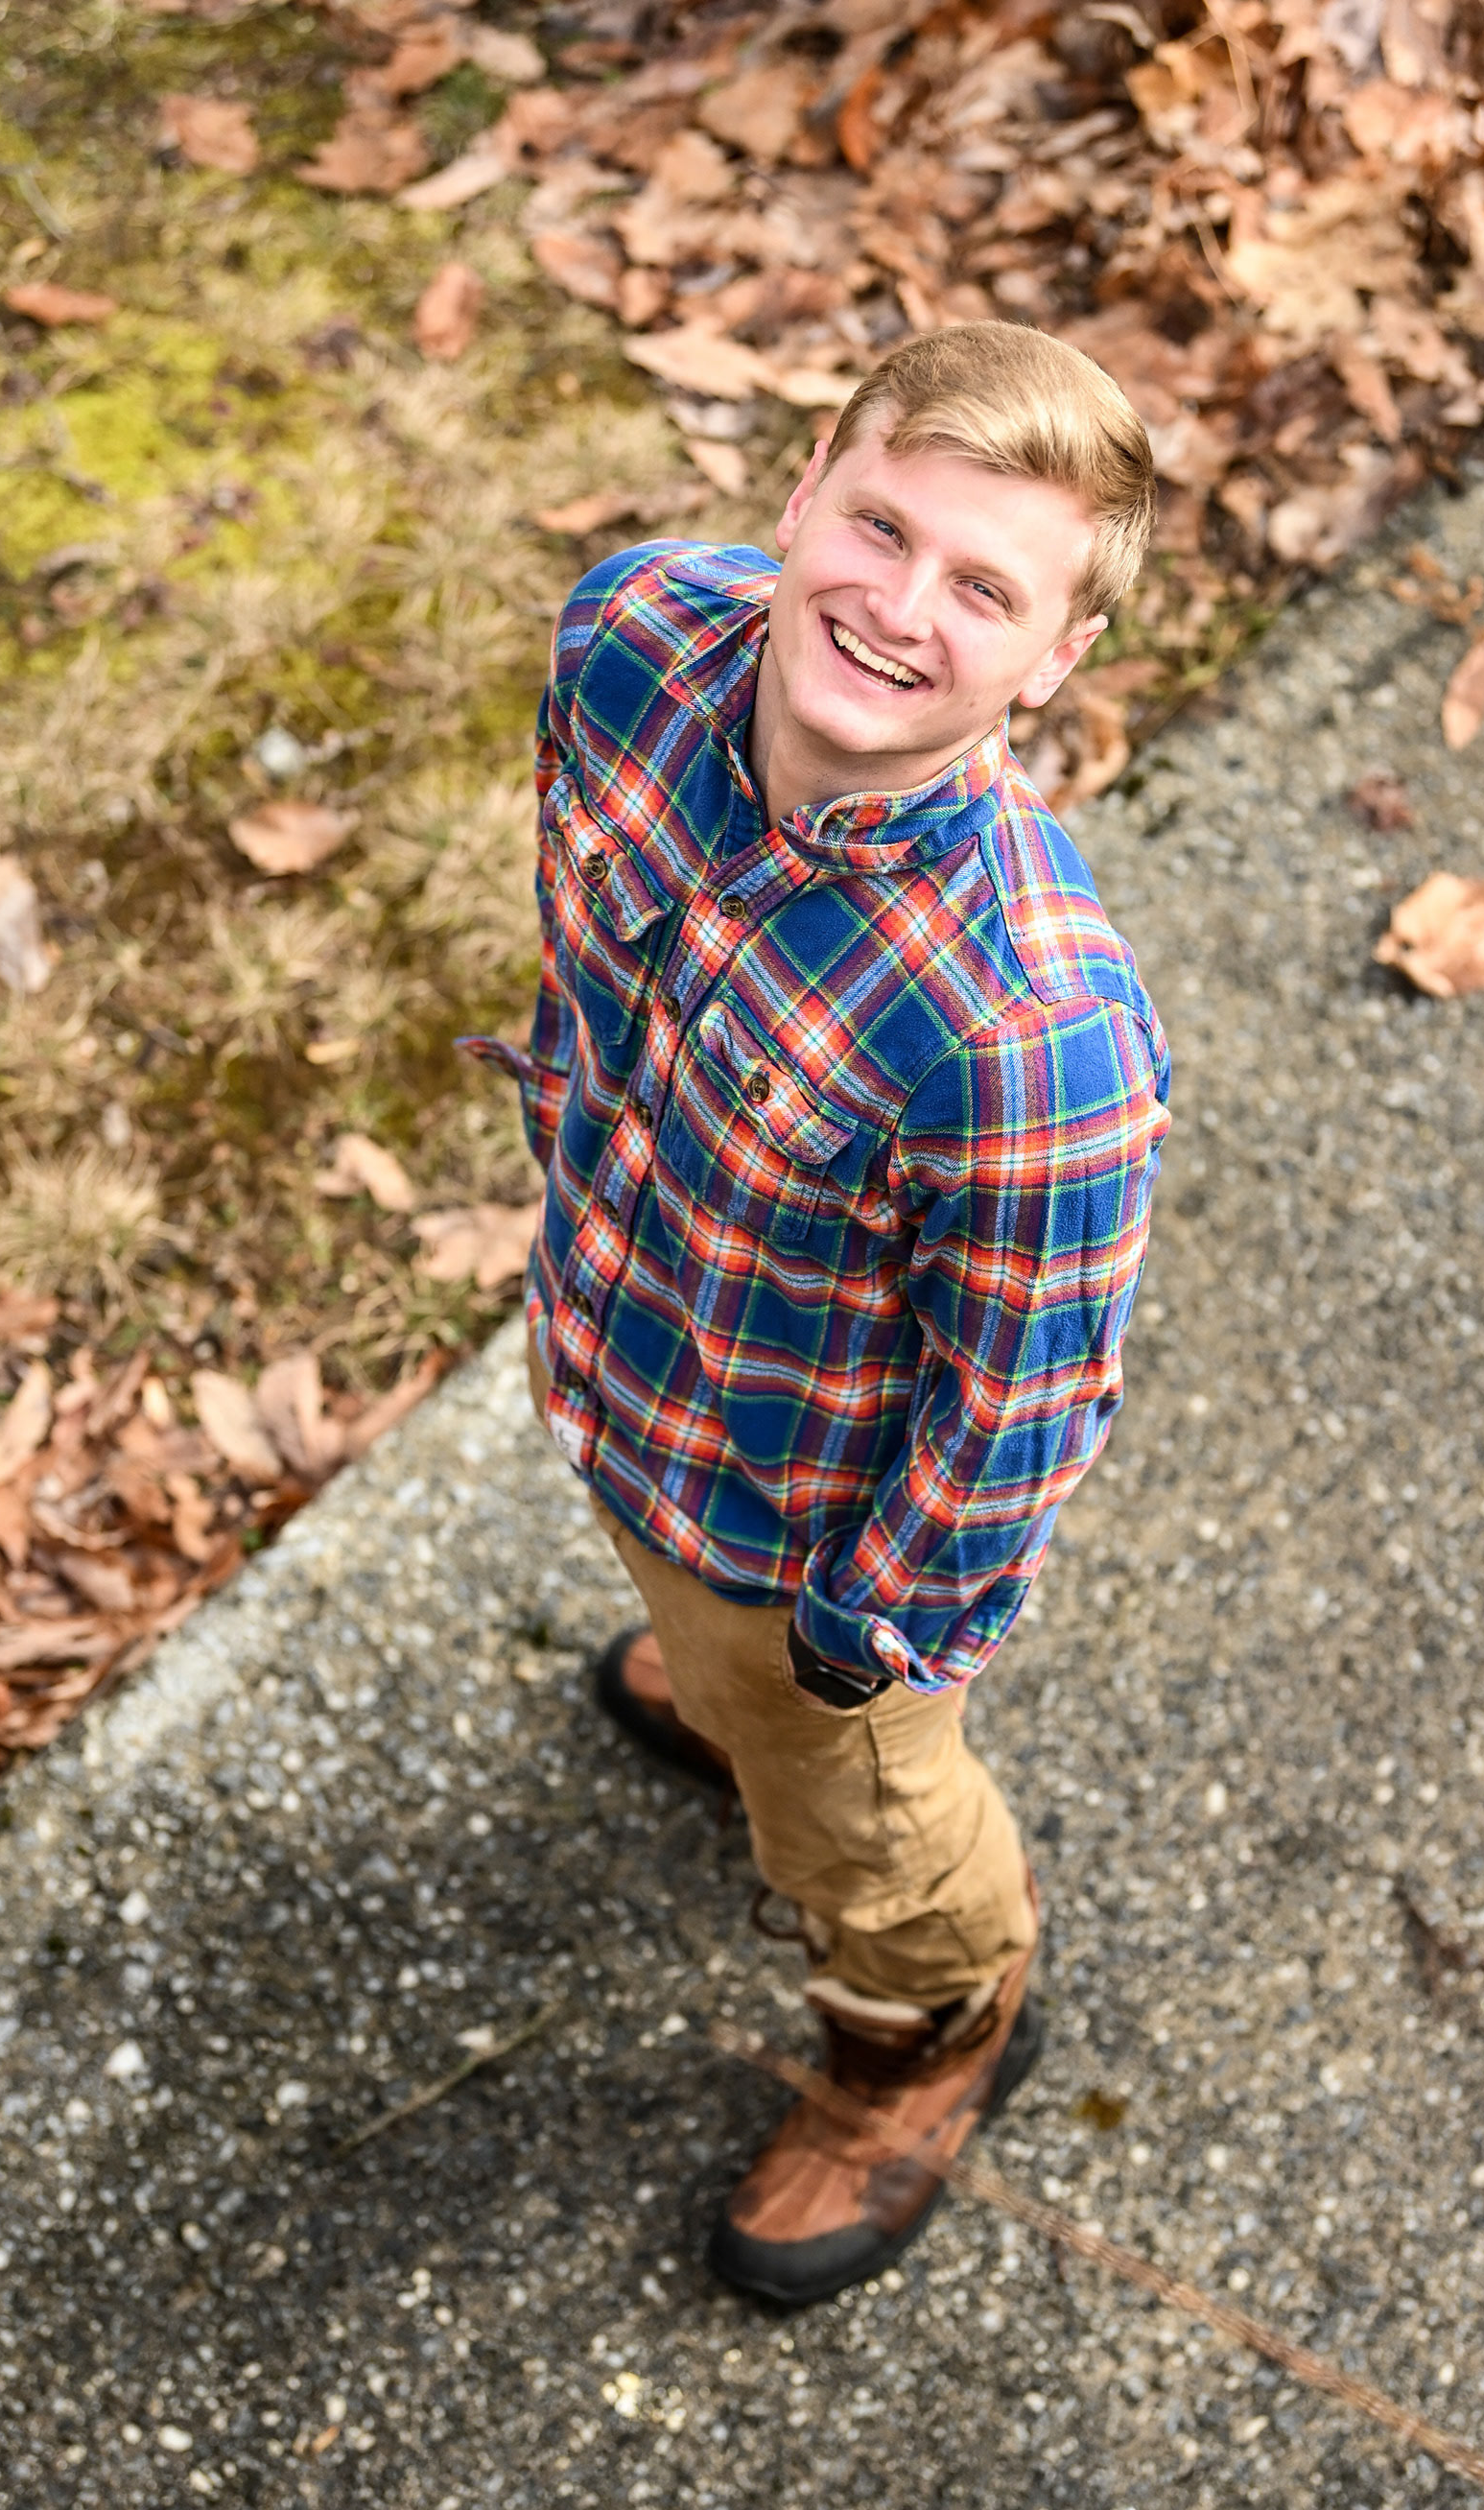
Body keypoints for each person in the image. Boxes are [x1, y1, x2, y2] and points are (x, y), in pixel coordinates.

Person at [473, 321, 1169, 2308]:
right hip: (625, 1348)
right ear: (800, 491)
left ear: (1053, 661)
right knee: (688, 1623)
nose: (894, 608)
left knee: (864, 1820)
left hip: (801, 1542)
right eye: (881, 525)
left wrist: (859, 1649)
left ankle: (930, 2026)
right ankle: (718, 1684)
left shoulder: (1026, 1030)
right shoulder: (632, 641)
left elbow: (1018, 1415)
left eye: (985, 588)